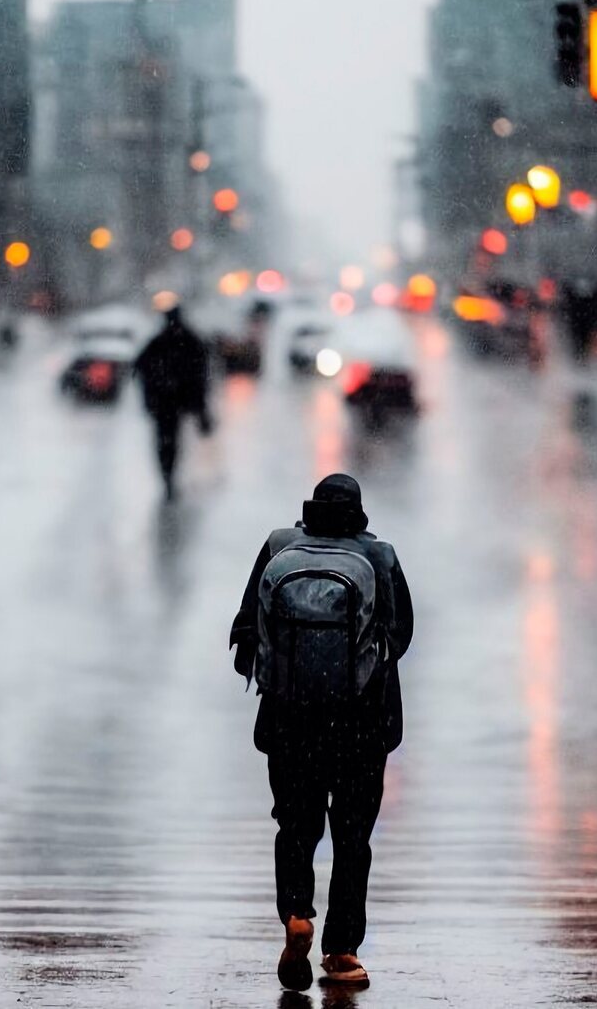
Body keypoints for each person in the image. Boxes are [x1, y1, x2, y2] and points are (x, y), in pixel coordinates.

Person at [229, 474, 413, 991]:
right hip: (359, 725)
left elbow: (246, 629)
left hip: (290, 724)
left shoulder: (277, 548)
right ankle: (343, 952)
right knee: (353, 839)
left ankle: (295, 916)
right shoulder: (380, 559)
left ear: (309, 510)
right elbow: (399, 636)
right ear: (359, 513)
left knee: (294, 827)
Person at [133, 305, 212, 499]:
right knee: (170, 442)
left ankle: (168, 477)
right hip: (172, 403)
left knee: (166, 442)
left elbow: (139, 367)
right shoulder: (186, 341)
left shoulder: (163, 342)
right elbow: (201, 374)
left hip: (167, 404)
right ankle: (169, 477)